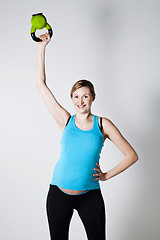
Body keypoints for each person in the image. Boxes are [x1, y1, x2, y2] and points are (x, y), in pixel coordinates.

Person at [35, 33, 138, 240]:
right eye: (76, 96)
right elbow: (40, 83)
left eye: (85, 96)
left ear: (92, 98)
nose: (80, 101)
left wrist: (107, 175)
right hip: (58, 195)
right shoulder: (64, 120)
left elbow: (131, 155)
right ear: (71, 99)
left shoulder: (103, 124)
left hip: (90, 196)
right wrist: (42, 47)